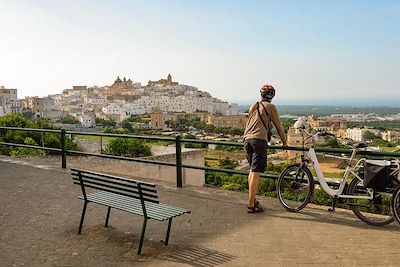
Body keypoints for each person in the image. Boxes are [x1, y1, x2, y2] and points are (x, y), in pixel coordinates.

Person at [243, 84, 287, 213]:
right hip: (259, 140)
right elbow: (279, 127)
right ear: (272, 95)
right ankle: (251, 204)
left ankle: (252, 200)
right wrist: (284, 143)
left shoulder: (253, 105)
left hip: (247, 139)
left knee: (252, 170)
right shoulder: (270, 107)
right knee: (256, 172)